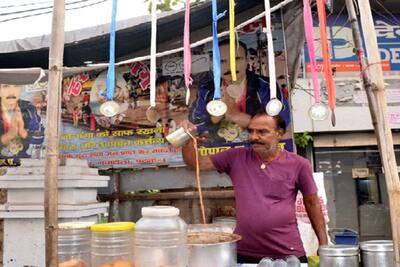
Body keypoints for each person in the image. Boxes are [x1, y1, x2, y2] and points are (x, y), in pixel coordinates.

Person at [180, 112, 328, 263]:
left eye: (262, 132)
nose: (253, 137)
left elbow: (312, 203)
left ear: (279, 134)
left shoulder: (299, 164)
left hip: (287, 254)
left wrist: (323, 245)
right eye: (250, 131)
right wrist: (187, 138)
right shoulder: (236, 157)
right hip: (243, 252)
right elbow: (195, 163)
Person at [189, 39, 292, 149]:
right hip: (220, 155)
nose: (230, 67)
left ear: (247, 60)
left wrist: (237, 115)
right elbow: (195, 124)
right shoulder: (207, 90)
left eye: (236, 59)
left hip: (258, 153)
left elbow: (281, 123)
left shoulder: (265, 86)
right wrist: (215, 117)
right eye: (222, 61)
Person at [0, 84, 43, 158]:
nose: (11, 92)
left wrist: (23, 132)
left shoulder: (29, 109)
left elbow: (40, 138)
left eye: (16, 86)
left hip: (23, 162)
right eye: (6, 86)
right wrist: (8, 136)